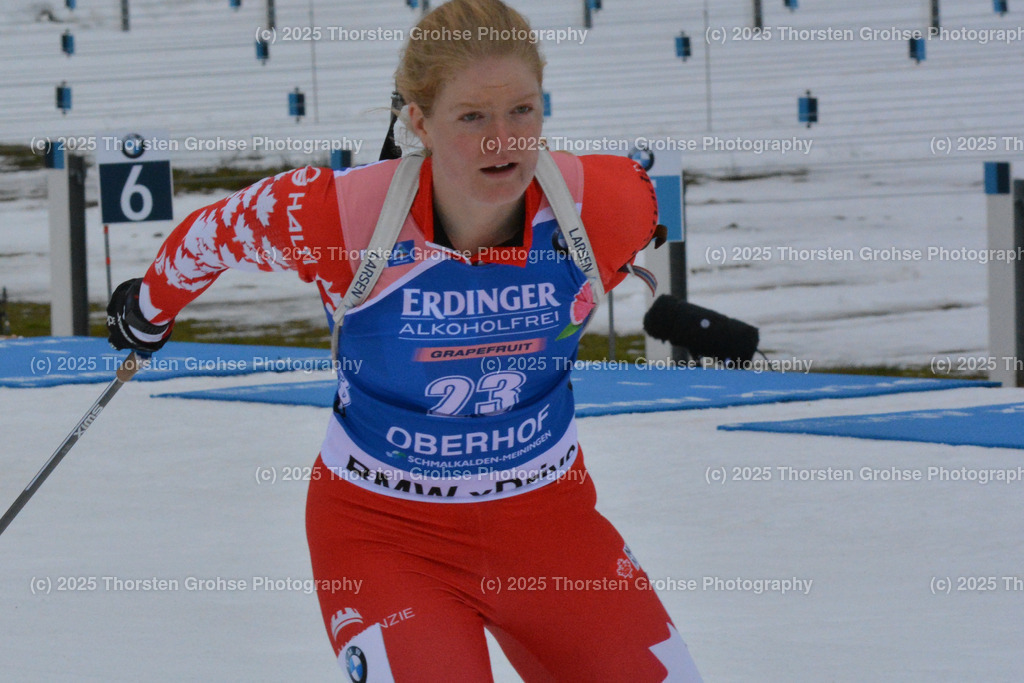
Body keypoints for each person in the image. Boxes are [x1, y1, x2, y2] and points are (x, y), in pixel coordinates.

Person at [107, 1, 703, 680]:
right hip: (384, 533)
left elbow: (642, 237)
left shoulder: (608, 202)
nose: (502, 141)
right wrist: (148, 310)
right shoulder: (339, 214)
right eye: (472, 117)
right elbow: (211, 235)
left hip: (548, 525)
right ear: (418, 121)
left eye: (523, 112)